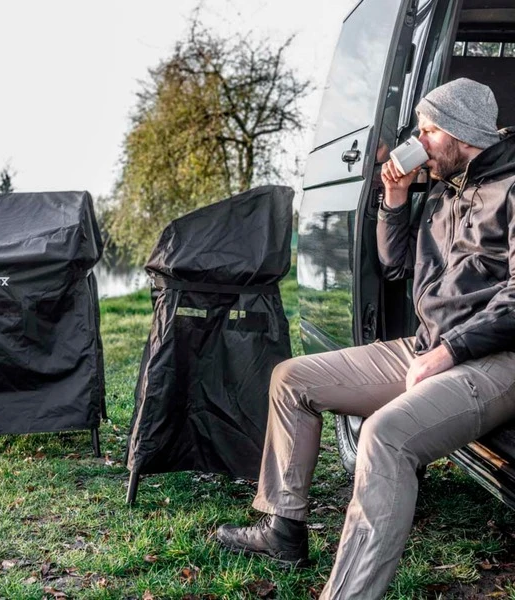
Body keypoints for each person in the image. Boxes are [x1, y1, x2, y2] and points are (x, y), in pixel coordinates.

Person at [216, 77, 515, 599]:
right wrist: (394, 198)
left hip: (496, 358)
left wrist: (451, 351)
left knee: (383, 435)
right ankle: (282, 530)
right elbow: (395, 265)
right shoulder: (446, 188)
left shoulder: (510, 188)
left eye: (427, 131)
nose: (419, 142)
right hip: (431, 346)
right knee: (291, 379)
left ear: (460, 132)